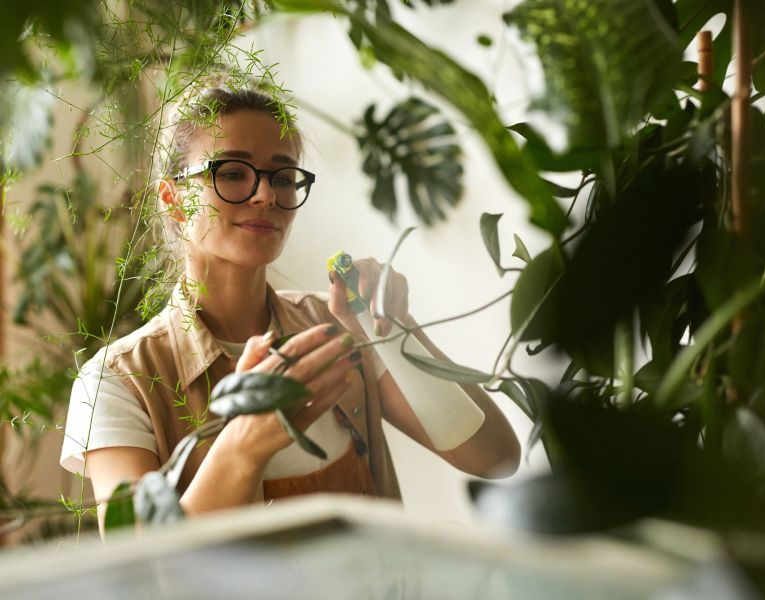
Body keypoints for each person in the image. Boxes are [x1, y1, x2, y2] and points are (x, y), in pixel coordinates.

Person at [60, 83, 520, 526]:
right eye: (232, 172)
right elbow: (143, 566)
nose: (266, 195)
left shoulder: (337, 328)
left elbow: (494, 457)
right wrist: (245, 441)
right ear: (173, 199)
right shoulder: (119, 380)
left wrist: (392, 327)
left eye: (283, 176)